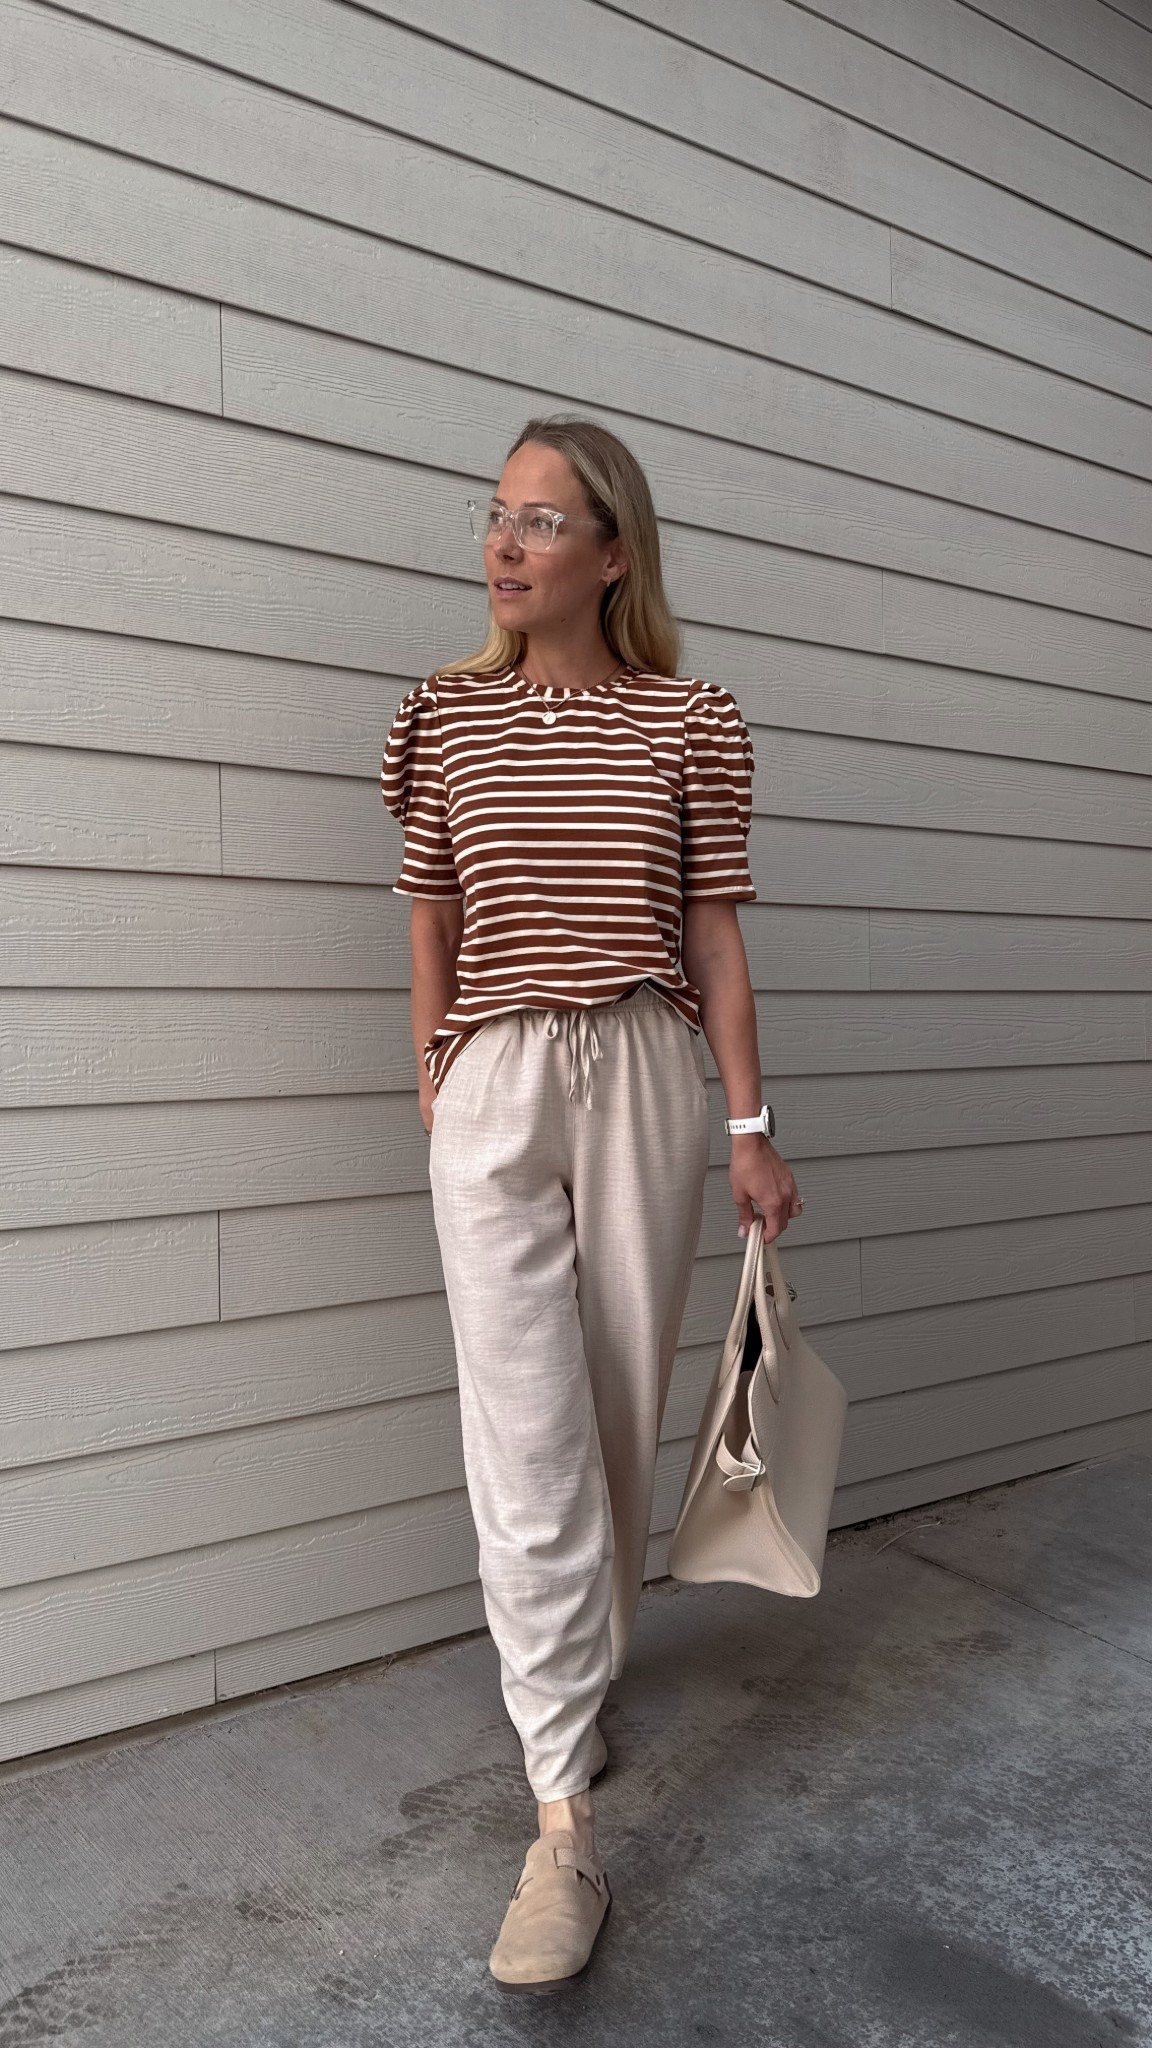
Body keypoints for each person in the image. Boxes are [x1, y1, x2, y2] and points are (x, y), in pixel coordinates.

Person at [380, 415, 802, 1994]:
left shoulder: (692, 721)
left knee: (616, 1411)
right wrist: (438, 1078)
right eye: (494, 515)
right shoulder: (439, 717)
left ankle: (583, 1669)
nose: (503, 543)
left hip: (643, 1075)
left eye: (542, 523)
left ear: (612, 555)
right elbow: (431, 917)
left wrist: (753, 1127)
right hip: (492, 1079)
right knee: (528, 1427)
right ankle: (561, 1815)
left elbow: (714, 945)